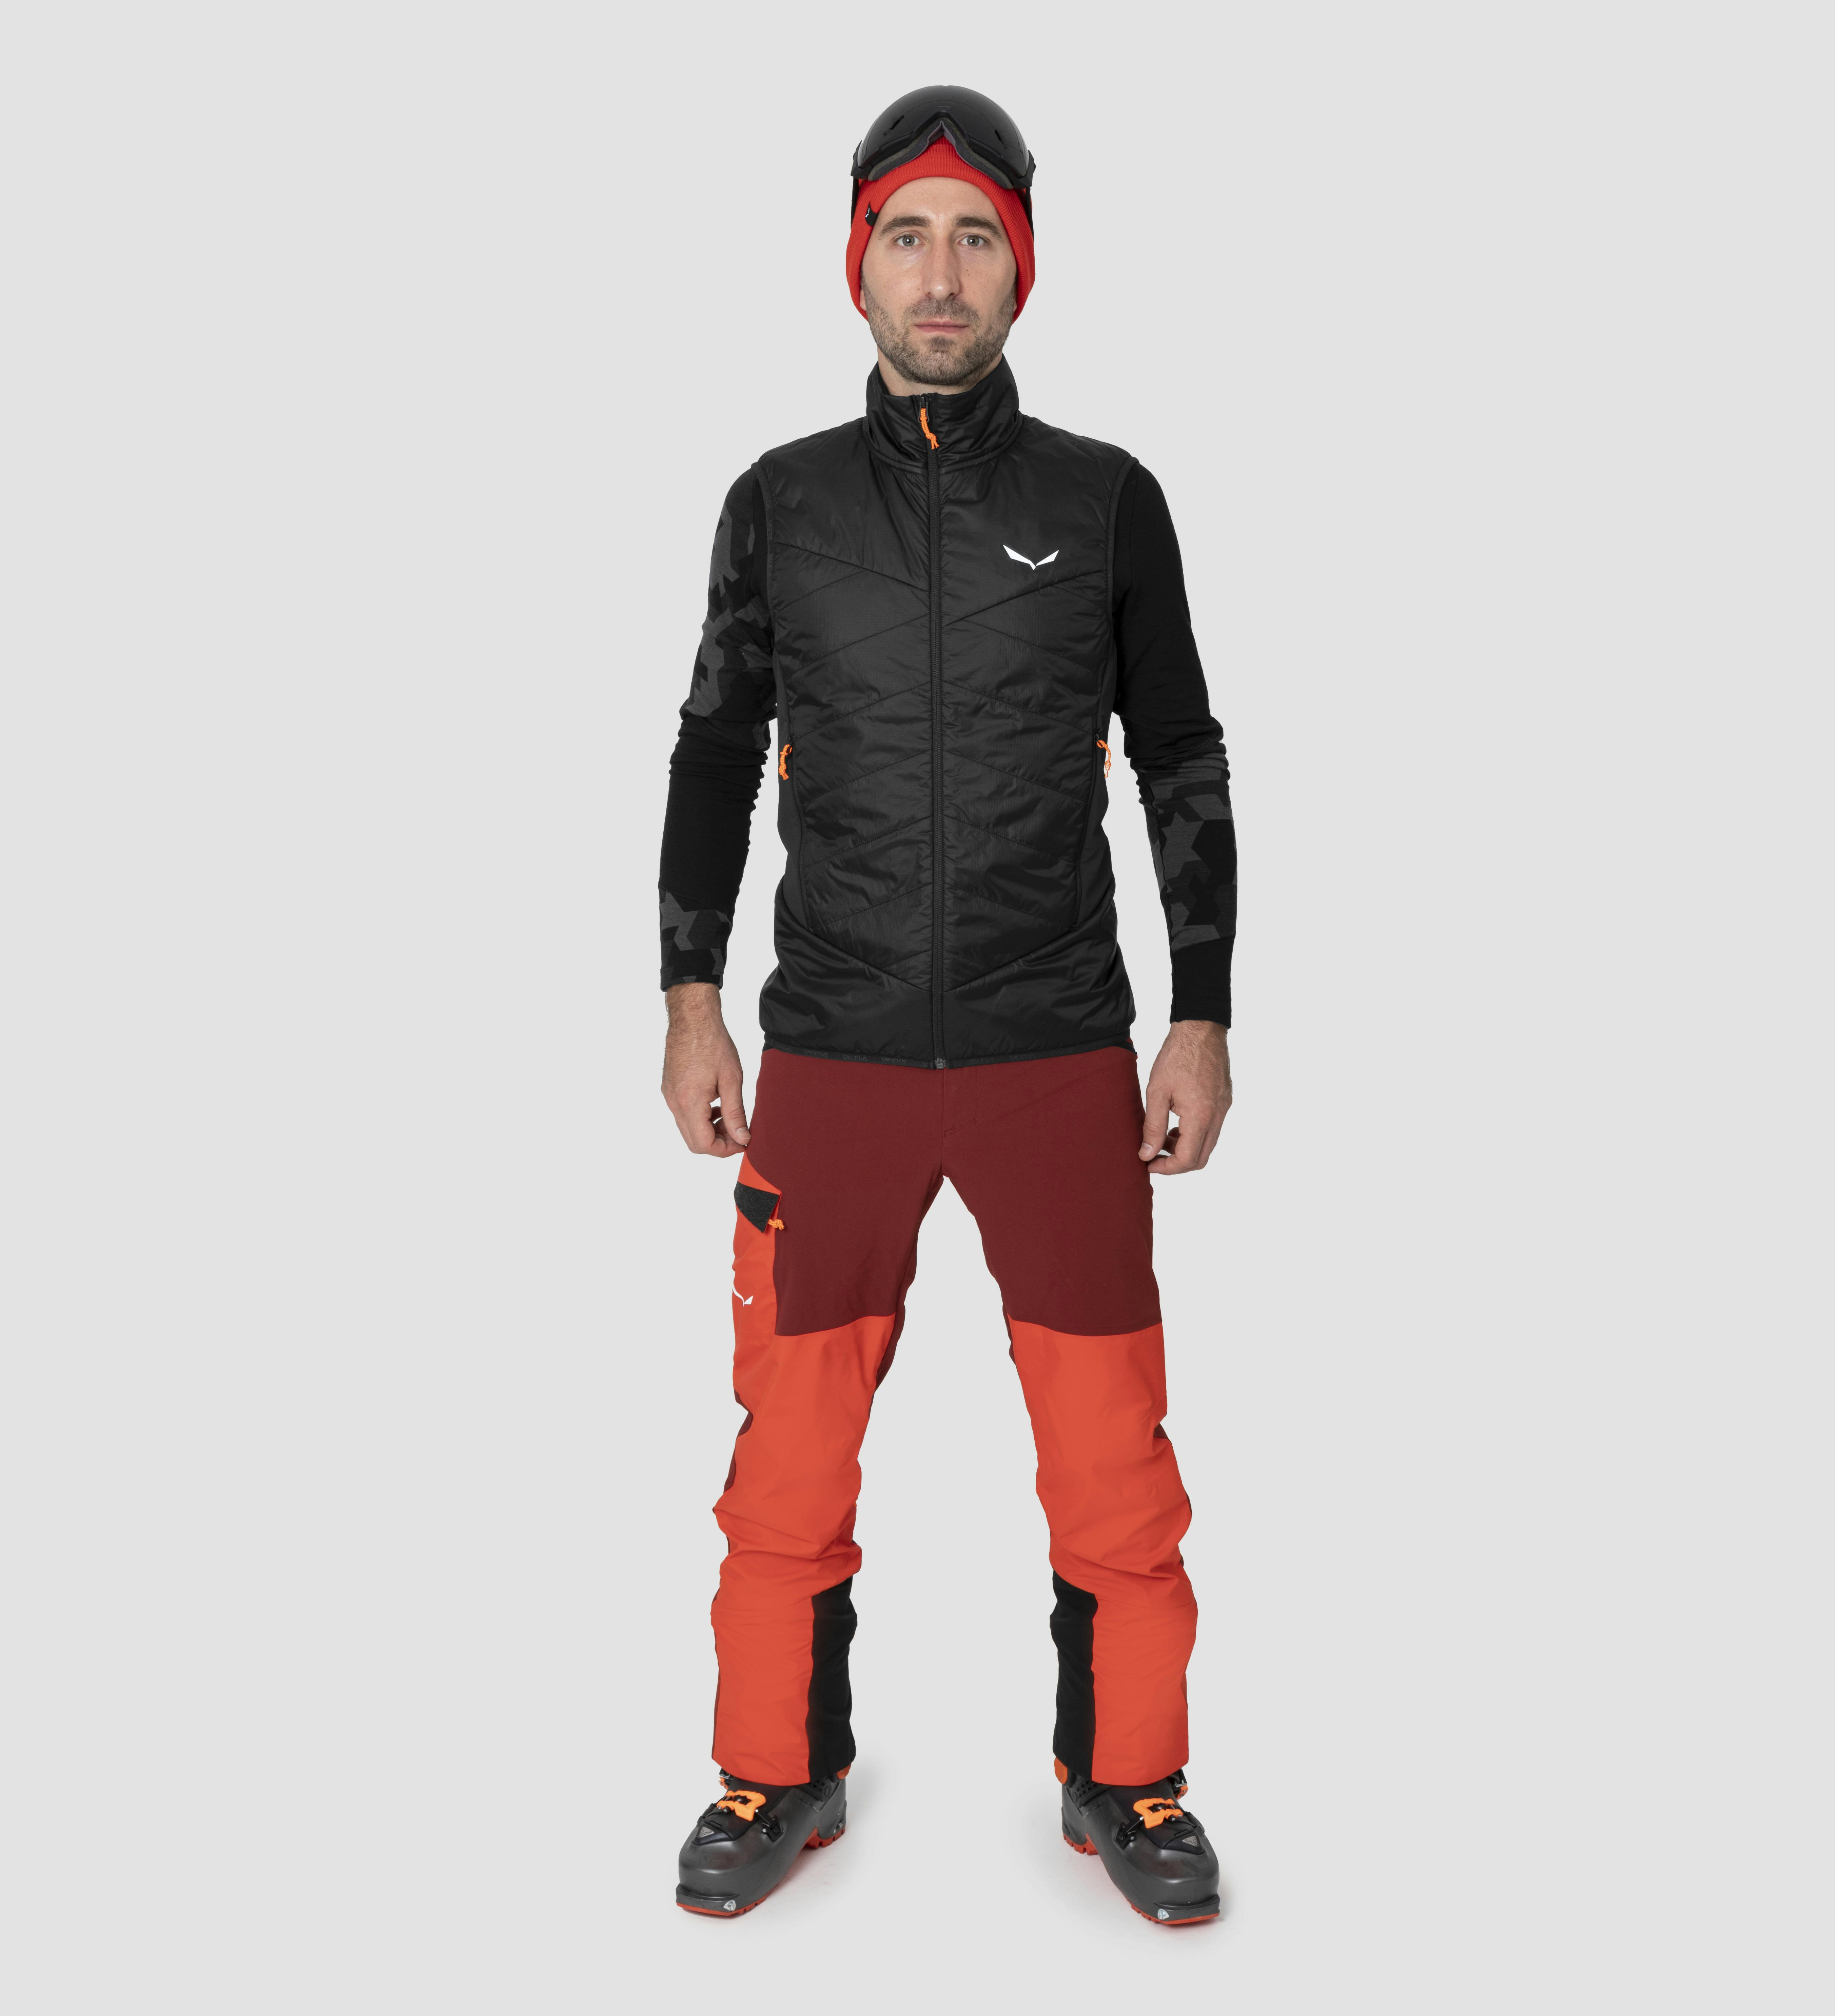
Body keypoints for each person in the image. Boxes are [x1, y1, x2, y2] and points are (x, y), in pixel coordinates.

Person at [659, 85, 1237, 1926]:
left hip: (1055, 1052)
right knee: (787, 1457)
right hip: (830, 1055)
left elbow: (1184, 758)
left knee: (1114, 1457)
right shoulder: (778, 505)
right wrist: (690, 993)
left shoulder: (1107, 501)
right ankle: (778, 1769)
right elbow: (711, 753)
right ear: (857, 266)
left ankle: (1127, 1781)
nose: (940, 274)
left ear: (1021, 269)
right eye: (906, 236)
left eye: (975, 237)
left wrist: (1202, 1013)